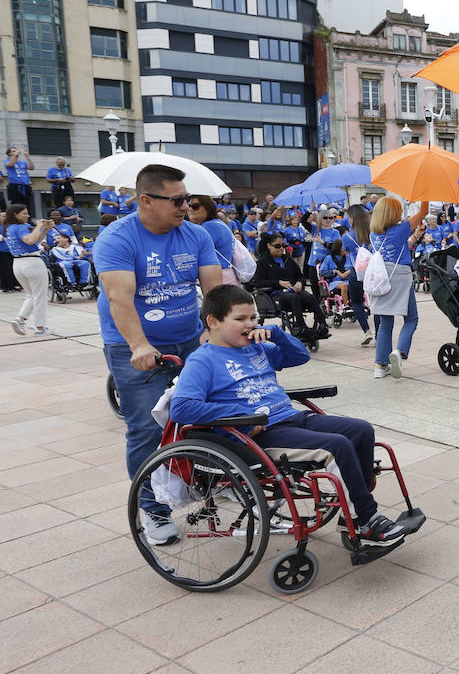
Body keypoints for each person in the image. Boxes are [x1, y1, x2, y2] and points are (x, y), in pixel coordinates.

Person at [169, 285, 409, 545]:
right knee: (337, 446)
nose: (249, 325)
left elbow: (299, 356)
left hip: (289, 417)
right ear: (213, 322)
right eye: (240, 319)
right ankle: (366, 519)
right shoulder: (202, 360)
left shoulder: (255, 347)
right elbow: (182, 407)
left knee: (361, 430)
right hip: (259, 433)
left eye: (253, 318)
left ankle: (351, 511)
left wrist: (276, 333)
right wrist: (241, 413)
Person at [94, 164, 221, 543]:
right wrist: (138, 345)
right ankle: (152, 509)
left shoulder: (195, 235)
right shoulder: (117, 239)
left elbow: (213, 290)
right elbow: (120, 298)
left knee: (210, 415)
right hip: (133, 345)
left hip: (189, 338)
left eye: (189, 199)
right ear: (145, 200)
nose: (187, 205)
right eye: (178, 200)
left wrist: (219, 332)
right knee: (148, 429)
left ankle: (213, 479)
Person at [368, 197, 425, 379]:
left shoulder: (373, 234)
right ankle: (399, 352)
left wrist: (415, 235)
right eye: (398, 210)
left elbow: (399, 246)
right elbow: (423, 213)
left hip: (381, 278)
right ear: (392, 213)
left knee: (385, 322)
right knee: (411, 318)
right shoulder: (400, 229)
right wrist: (425, 194)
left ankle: (380, 365)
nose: (400, 213)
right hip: (399, 277)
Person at [253, 234, 329, 339]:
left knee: (310, 297)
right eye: (277, 246)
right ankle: (302, 328)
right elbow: (258, 282)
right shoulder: (262, 262)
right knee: (295, 298)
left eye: (283, 246)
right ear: (269, 246)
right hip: (275, 294)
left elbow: (300, 276)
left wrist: (300, 283)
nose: (281, 249)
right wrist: (278, 283)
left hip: (292, 290)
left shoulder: (287, 259)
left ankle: (322, 325)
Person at [5, 205, 53, 335]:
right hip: (32, 263)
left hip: (18, 263)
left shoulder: (9, 228)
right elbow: (31, 241)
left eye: (27, 213)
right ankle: (40, 327)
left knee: (32, 295)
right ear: (15, 214)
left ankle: (20, 319)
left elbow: (32, 241)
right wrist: (38, 226)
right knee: (40, 296)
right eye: (24, 214)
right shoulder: (21, 227)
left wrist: (44, 231)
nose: (27, 216)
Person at [187, 194, 240, 286]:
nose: (190, 209)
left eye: (195, 207)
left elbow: (190, 254)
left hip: (218, 278)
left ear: (208, 208)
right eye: (188, 206)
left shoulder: (208, 226)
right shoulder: (217, 223)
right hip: (225, 276)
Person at [342, 204, 375, 345]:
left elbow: (346, 251)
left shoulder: (347, 236)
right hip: (373, 270)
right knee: (376, 303)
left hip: (356, 271)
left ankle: (367, 331)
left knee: (356, 302)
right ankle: (380, 333)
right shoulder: (373, 232)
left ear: (352, 218)